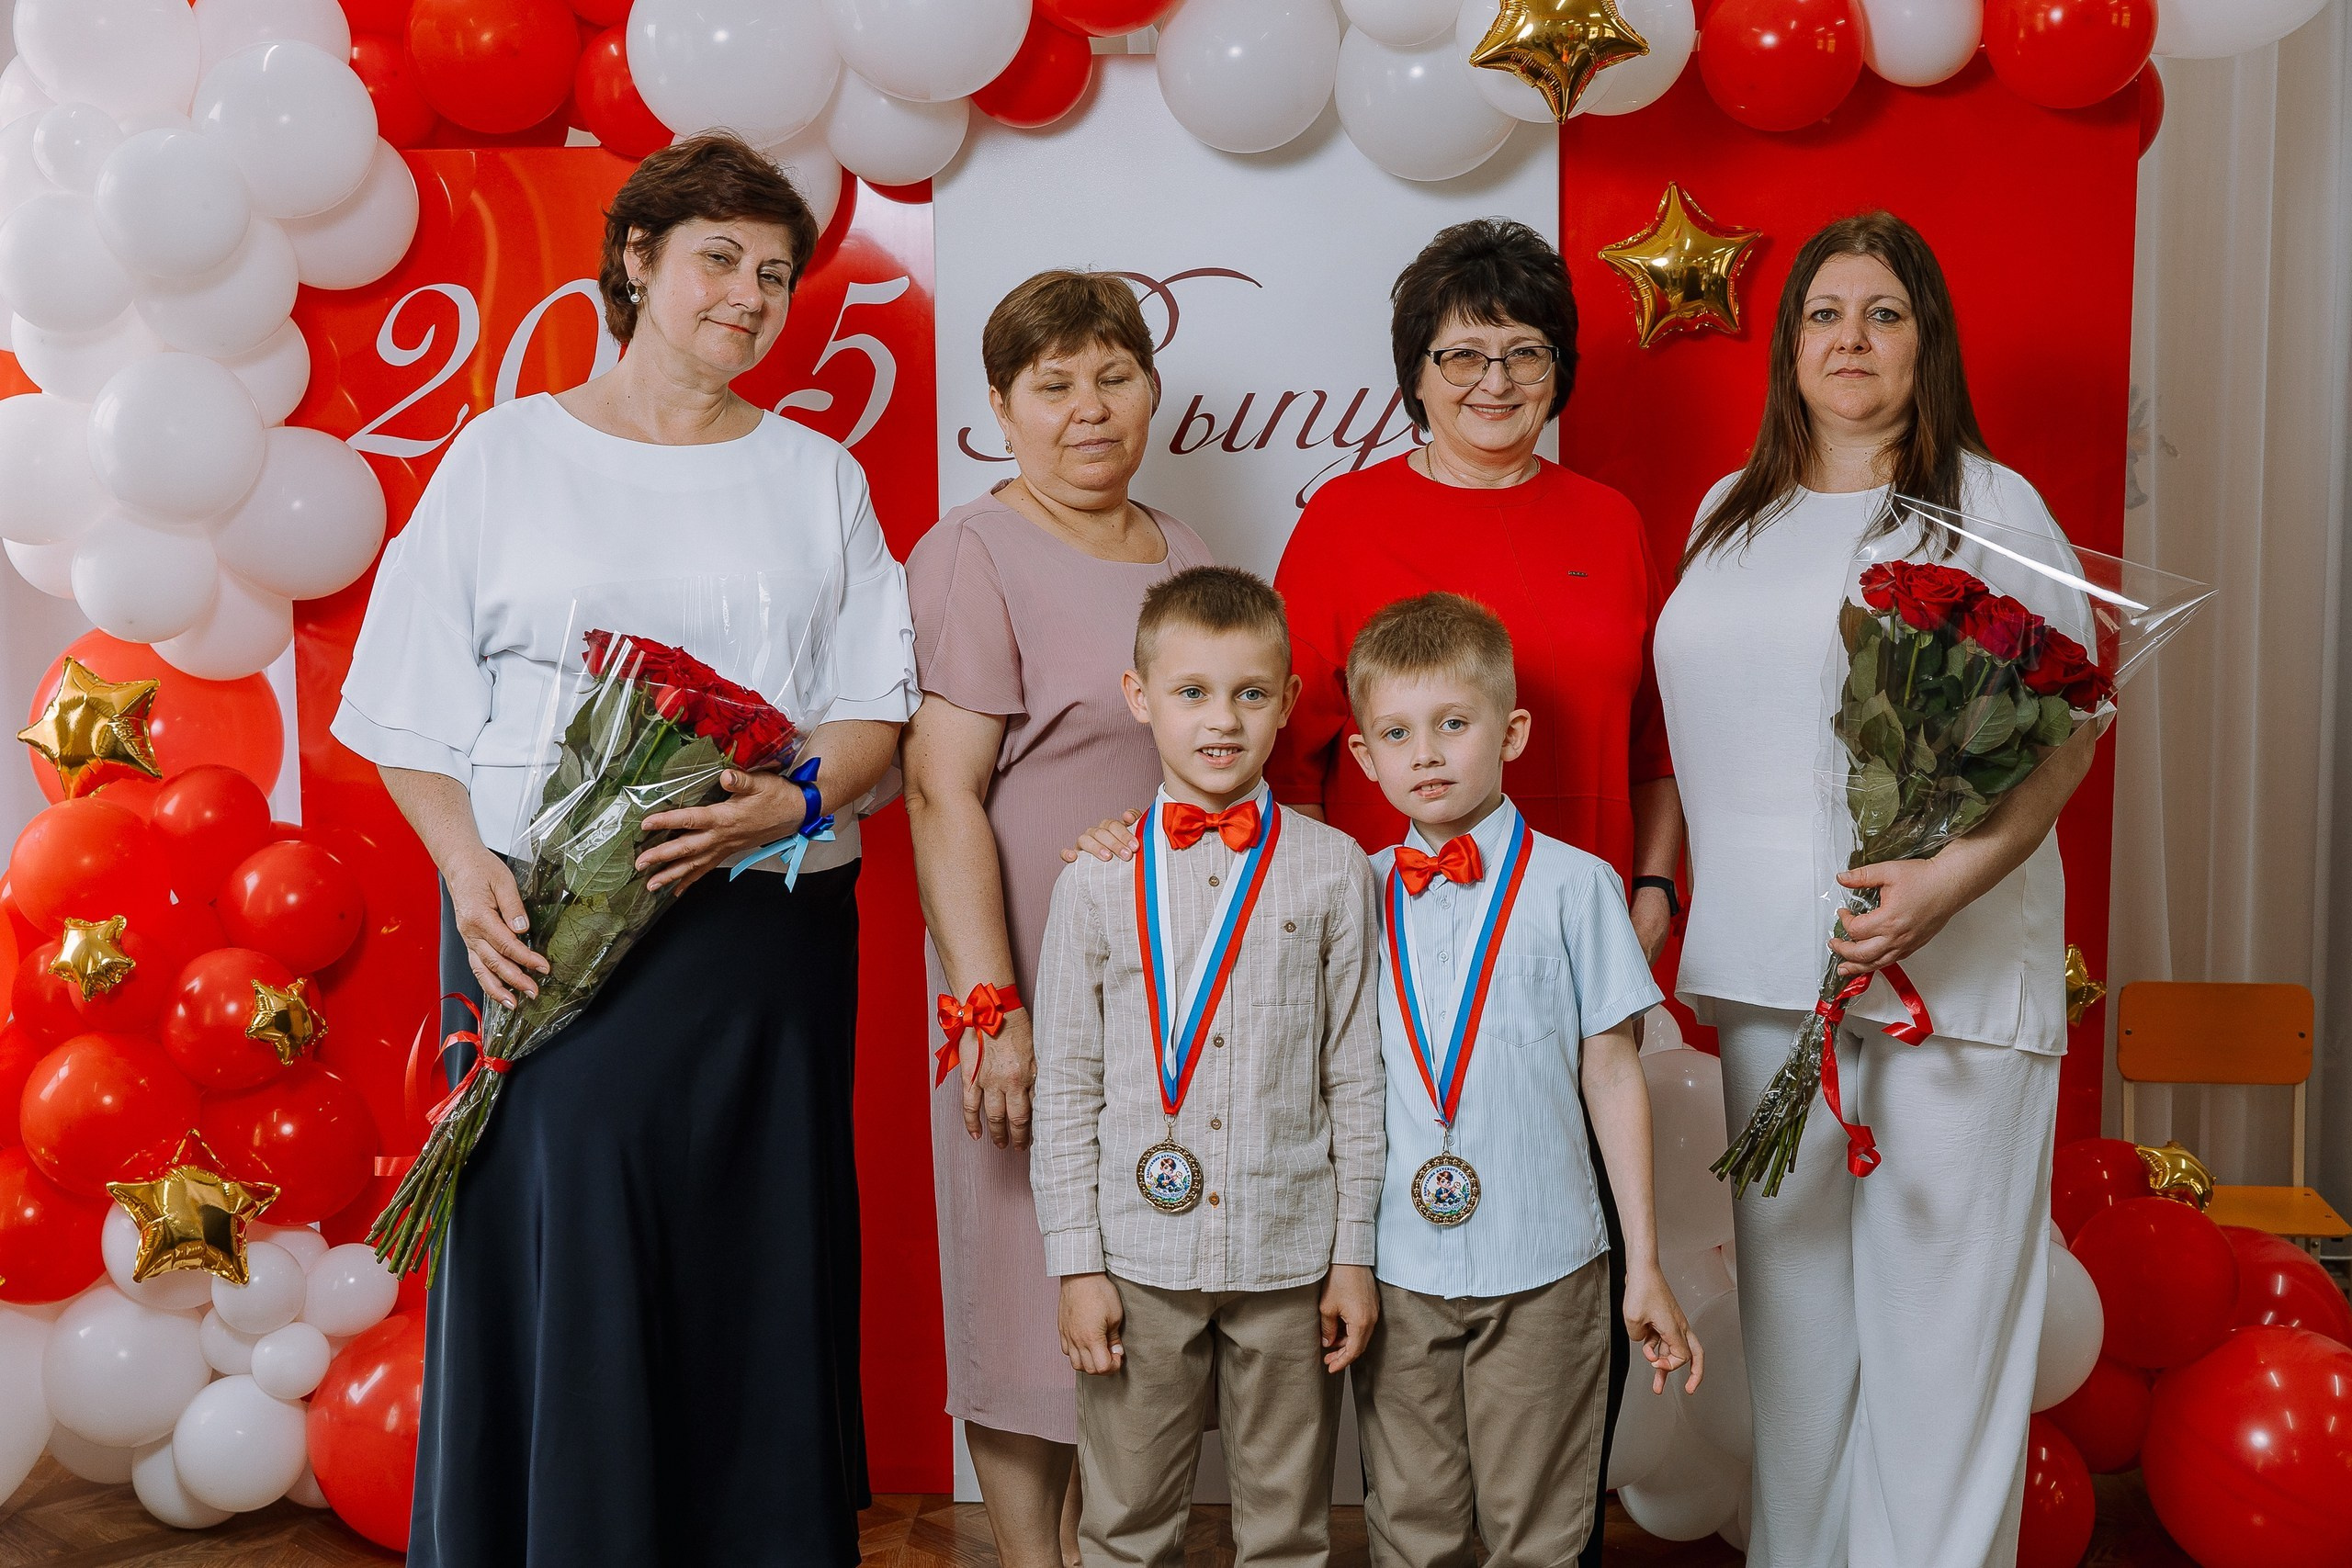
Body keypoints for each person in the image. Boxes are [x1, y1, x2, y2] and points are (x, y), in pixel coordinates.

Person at [332, 134, 918, 1567]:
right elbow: (406, 702)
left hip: (755, 943)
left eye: (777, 273)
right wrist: (467, 867)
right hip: (537, 928)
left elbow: (874, 713)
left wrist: (795, 798)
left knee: (749, 1261)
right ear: (638, 261)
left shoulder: (816, 475)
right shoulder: (504, 455)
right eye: (721, 257)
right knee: (567, 1240)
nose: (752, 294)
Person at [1652, 210, 2099, 1568]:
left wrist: (1943, 884)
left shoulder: (1990, 502)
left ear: (1927, 340)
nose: (1852, 339)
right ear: (1790, 344)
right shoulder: (1725, 513)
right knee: (1794, 1344)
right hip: (1767, 980)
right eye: (1825, 313)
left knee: (1940, 1337)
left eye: (1885, 313)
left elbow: (2063, 728)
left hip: (1949, 981)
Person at [1267, 219, 1681, 1562]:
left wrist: (1658, 887)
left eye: (1523, 350)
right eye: (1460, 352)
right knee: (1421, 1420)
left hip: (1580, 952)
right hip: (1403, 972)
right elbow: (1279, 757)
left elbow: (1655, 747)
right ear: (1414, 371)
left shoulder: (1612, 523)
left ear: (1561, 368)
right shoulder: (1345, 521)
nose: (1493, 377)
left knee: (1563, 1304)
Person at [901, 270, 1214, 1568]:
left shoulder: (1195, 555)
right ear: (1000, 407)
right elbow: (938, 785)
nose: (1088, 409)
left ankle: (1111, 1553)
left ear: (1150, 389)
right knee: (1024, 1284)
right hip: (1025, 971)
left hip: (1172, 985)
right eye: (1053, 385)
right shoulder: (975, 546)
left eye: (1113, 376)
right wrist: (992, 1005)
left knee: (1139, 1288)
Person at [1030, 566, 1384, 1568]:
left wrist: (1350, 1252)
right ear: (1139, 698)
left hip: (1291, 1249)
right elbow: (1067, 1087)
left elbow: (1355, 1075)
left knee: (1286, 1526)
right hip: (1137, 1258)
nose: (1219, 720)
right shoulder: (1096, 882)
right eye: (1190, 692)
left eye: (1249, 693)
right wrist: (1076, 1264)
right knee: (1125, 1522)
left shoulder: (1333, 868)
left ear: (1287, 705)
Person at [1341, 592, 1698, 1568]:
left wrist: (1646, 1262)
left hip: (1549, 1262)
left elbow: (1614, 1073)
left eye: (1452, 725)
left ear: (1511, 731)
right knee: (1407, 1531)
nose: (1426, 754)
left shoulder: (1578, 885)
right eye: (1397, 733)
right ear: (1364, 756)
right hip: (1397, 1266)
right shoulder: (1347, 888)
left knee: (1538, 1537)